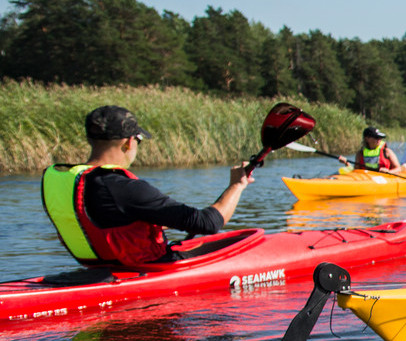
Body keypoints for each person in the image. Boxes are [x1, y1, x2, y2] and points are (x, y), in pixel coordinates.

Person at [40, 105, 253, 266]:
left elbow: (104, 221)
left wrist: (166, 222)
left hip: (96, 268)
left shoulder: (59, 179)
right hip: (146, 269)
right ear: (129, 142)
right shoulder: (122, 187)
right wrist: (236, 185)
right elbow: (208, 223)